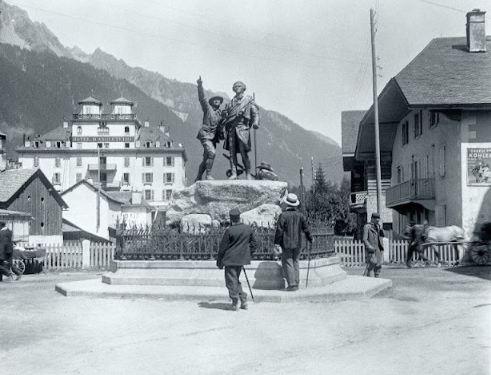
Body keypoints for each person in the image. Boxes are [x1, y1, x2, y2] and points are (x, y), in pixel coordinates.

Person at [216, 208, 257, 311]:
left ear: (231, 219)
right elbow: (255, 244)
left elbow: (222, 248)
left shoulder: (229, 230)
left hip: (230, 259)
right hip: (241, 259)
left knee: (231, 281)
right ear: (239, 217)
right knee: (235, 280)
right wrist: (247, 253)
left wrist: (219, 261)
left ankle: (235, 302)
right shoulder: (248, 229)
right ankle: (244, 301)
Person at [274, 193, 312, 291]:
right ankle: (296, 282)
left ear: (287, 204)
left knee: (288, 262)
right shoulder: (300, 215)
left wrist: (277, 243)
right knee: (296, 262)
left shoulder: (283, 215)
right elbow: (306, 229)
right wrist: (310, 238)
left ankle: (292, 284)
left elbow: (279, 230)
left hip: (286, 242)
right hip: (298, 243)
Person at [222, 81, 259, 180]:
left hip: (242, 128)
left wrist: (255, 122)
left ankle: (248, 173)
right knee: (231, 153)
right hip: (231, 129)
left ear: (243, 88)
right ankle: (234, 173)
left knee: (243, 152)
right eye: (235, 86)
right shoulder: (231, 103)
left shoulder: (248, 100)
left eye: (239, 86)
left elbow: (255, 112)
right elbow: (227, 116)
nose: (237, 88)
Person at [195, 76, 224, 181]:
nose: (217, 101)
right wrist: (200, 85)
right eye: (215, 100)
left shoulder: (220, 114)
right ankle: (208, 175)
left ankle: (198, 177)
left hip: (213, 138)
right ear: (212, 102)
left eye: (219, 100)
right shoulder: (208, 109)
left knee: (206, 158)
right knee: (212, 153)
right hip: (205, 135)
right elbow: (202, 98)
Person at [362, 213, 385, 277]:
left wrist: (381, 229)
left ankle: (376, 279)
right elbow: (364, 239)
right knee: (372, 263)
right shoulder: (367, 227)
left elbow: (381, 236)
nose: (377, 221)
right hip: (371, 248)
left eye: (378, 219)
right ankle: (370, 280)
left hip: (378, 248)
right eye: (376, 219)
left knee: (378, 265)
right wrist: (369, 246)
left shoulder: (378, 226)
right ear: (372, 219)